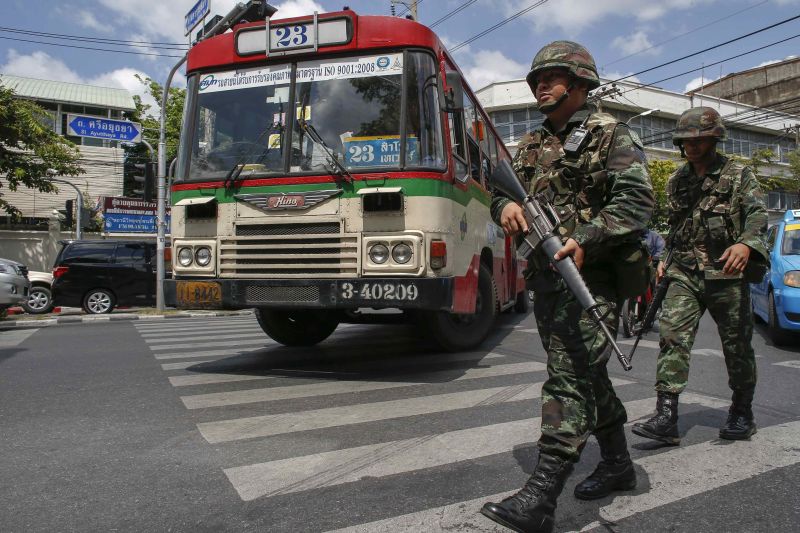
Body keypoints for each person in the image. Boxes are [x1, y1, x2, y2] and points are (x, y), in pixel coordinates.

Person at [480, 41, 654, 533]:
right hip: (546, 280)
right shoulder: (531, 146)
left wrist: (586, 237)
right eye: (537, 79)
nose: (540, 86)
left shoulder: (610, 134)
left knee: (571, 377)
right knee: (589, 376)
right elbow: (498, 193)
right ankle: (618, 464)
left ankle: (541, 497)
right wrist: (505, 209)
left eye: (552, 78)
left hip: (592, 278)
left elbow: (638, 201)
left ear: (580, 84)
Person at [632, 107, 768, 446]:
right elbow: (677, 227)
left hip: (726, 271)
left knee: (736, 346)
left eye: (699, 139)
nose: (691, 146)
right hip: (685, 271)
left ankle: (741, 411)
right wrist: (664, 256)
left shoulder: (738, 174)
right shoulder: (678, 180)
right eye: (686, 141)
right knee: (672, 337)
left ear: (713, 139)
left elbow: (757, 215)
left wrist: (746, 244)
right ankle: (666, 417)